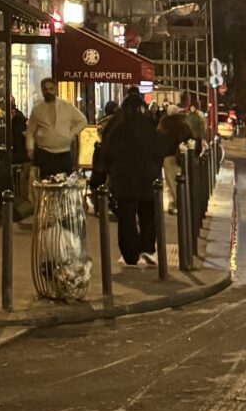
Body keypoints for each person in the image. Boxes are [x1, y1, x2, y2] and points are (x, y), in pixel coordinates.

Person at [96, 93, 165, 268]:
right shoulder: (148, 126)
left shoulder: (116, 126)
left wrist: (103, 176)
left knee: (126, 217)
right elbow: (159, 149)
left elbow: (105, 152)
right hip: (146, 178)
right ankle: (147, 247)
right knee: (147, 213)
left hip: (123, 178)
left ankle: (130, 253)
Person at [27, 76, 87, 180]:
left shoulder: (66, 106)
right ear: (42, 90)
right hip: (44, 153)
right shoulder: (37, 109)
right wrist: (30, 148)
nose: (48, 92)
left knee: (64, 184)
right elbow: (30, 131)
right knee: (44, 183)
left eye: (51, 89)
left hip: (63, 153)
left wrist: (71, 134)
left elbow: (83, 121)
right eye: (45, 89)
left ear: (55, 89)